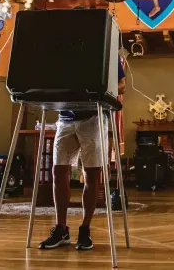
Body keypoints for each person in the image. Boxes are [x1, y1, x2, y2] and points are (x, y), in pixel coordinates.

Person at [39, 58, 126, 251]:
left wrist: (99, 91)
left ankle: (85, 229)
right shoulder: (63, 52)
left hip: (93, 117)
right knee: (58, 172)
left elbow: (122, 86)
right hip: (65, 117)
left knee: (92, 176)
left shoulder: (105, 52)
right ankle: (61, 229)